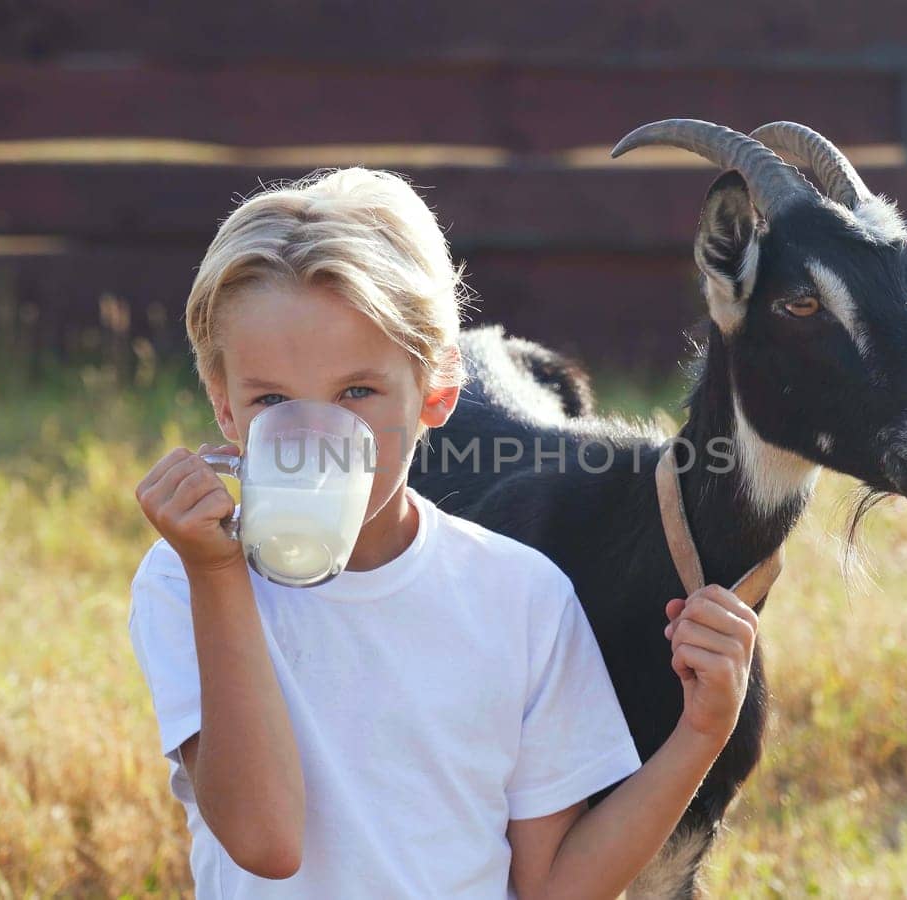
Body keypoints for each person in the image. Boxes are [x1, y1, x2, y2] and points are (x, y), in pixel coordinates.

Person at [129, 167, 760, 898]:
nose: (314, 436)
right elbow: (266, 842)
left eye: (356, 392)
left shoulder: (520, 596)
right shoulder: (185, 579)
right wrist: (218, 576)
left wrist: (701, 734)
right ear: (226, 409)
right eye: (272, 399)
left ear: (437, 391)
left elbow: (553, 887)